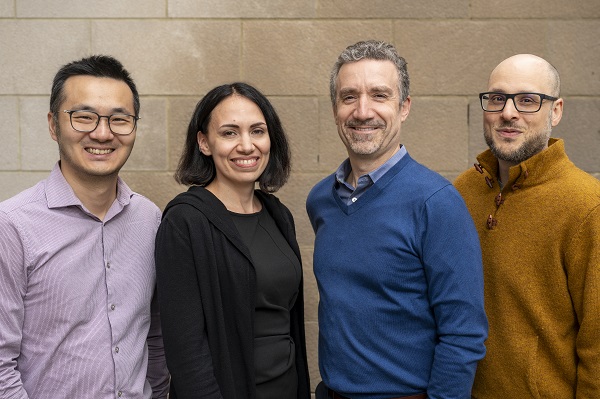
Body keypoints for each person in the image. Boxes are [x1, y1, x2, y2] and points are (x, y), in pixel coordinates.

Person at [306, 40, 488, 399]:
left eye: (379, 95)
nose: (362, 111)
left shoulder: (436, 203)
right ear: (334, 109)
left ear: (403, 107)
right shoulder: (321, 199)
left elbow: (463, 333)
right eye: (349, 97)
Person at [0, 55, 169, 398]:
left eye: (119, 119)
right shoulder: (12, 225)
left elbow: (154, 336)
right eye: (84, 117)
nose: (103, 133)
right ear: (53, 125)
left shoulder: (149, 219)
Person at [454, 54, 600, 398]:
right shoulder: (460, 192)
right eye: (497, 98)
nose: (508, 112)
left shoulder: (587, 205)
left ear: (556, 110)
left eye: (528, 100)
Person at [154, 82, 310, 399]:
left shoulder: (278, 215)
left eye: (257, 131)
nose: (246, 145)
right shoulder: (185, 222)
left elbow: (287, 320)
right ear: (204, 142)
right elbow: (186, 354)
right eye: (229, 133)